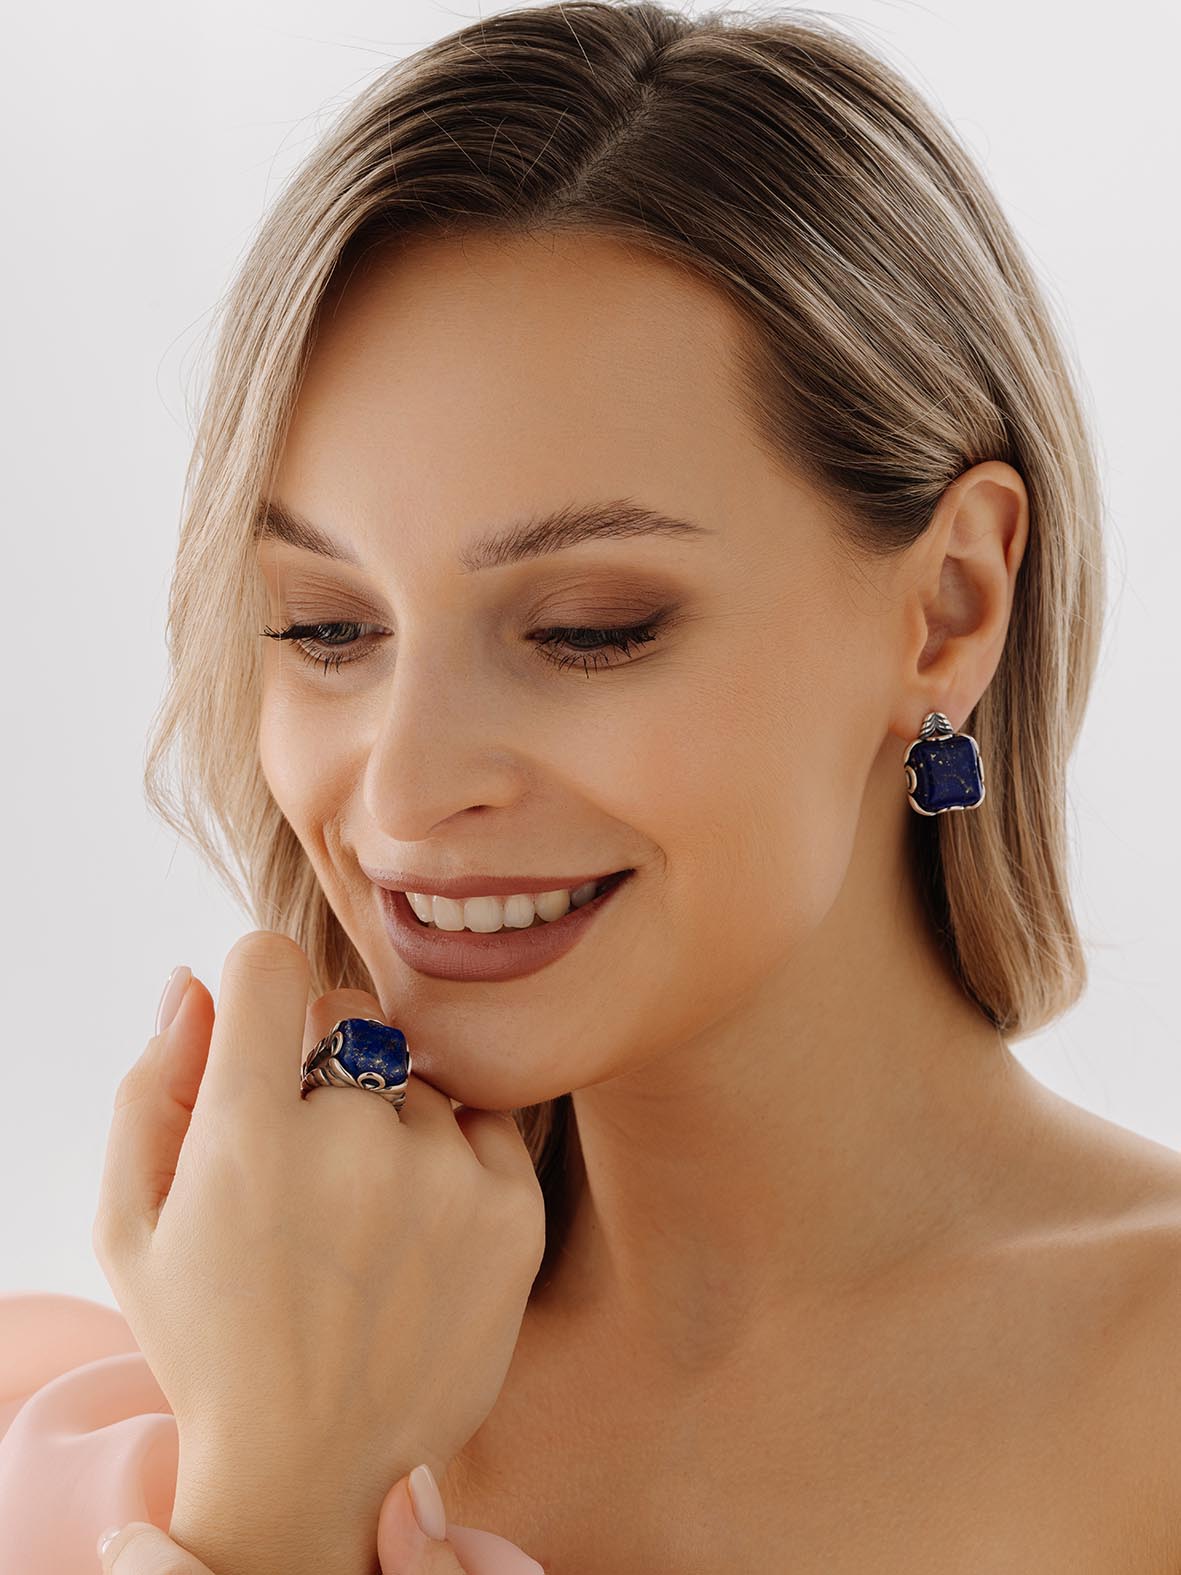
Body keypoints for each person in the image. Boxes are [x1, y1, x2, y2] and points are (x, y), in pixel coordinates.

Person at [4, 2, 1179, 1571]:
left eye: (586, 630)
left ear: (948, 609)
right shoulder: (102, 1426)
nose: (403, 793)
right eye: (327, 628)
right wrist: (270, 1496)